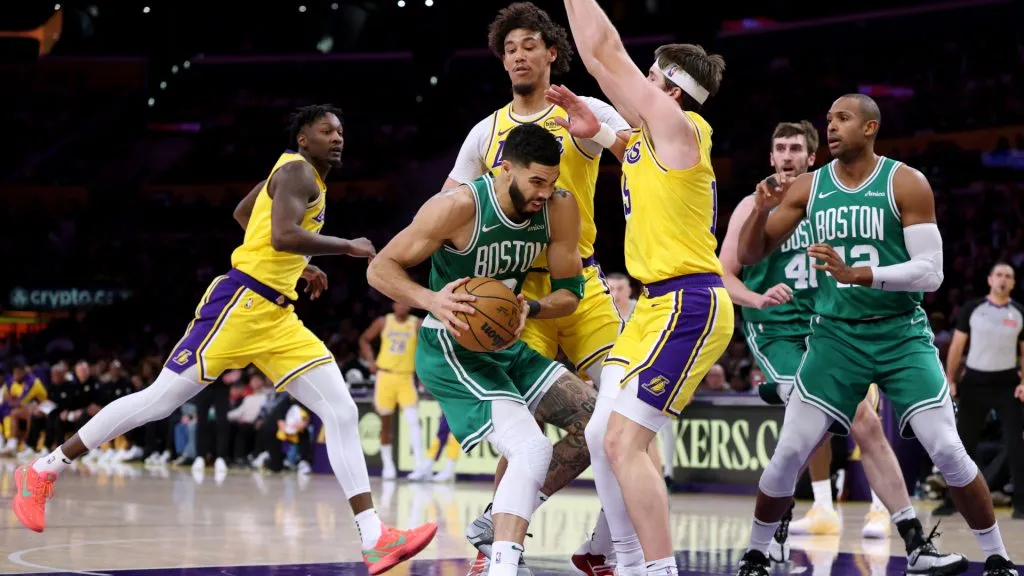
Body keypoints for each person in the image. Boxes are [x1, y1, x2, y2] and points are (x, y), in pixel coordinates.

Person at [13, 105, 437, 576]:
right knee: (159, 401)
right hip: (241, 306)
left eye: (341, 130)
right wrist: (345, 247)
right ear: (303, 139)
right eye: (326, 131)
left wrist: (301, 265)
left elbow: (245, 213)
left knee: (340, 410)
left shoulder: (292, 173)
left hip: (278, 317)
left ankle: (374, 537)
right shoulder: (299, 173)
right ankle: (43, 469)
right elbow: (280, 235)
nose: (338, 137)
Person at [733, 94, 1015, 576]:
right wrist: (759, 212)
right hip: (834, 338)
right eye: (828, 120)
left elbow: (931, 273)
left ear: (870, 128)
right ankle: (757, 551)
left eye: (842, 119)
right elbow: (752, 254)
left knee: (946, 447)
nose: (832, 126)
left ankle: (998, 558)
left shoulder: (906, 182)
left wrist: (858, 274)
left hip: (900, 334)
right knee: (790, 449)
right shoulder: (809, 187)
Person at [440, 4, 641, 573]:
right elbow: (447, 208)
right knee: (524, 436)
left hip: (581, 286)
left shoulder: (584, 109)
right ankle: (498, 546)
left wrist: (597, 129)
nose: (519, 55)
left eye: (530, 45)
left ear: (552, 52)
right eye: (509, 49)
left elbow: (644, 157)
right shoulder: (486, 132)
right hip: (510, 298)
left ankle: (603, 544)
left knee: (625, 414)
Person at [367, 122, 595, 576]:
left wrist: (532, 305)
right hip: (450, 347)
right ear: (505, 169)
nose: (545, 193)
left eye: (552, 183)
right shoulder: (458, 207)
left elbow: (570, 290)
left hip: (504, 345)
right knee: (531, 448)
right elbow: (380, 268)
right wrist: (432, 300)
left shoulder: (560, 207)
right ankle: (503, 564)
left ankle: (498, 520)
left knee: (596, 425)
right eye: (536, 182)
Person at [557, 2, 736, 575]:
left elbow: (601, 54)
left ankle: (655, 570)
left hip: (689, 302)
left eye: (651, 79)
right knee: (599, 431)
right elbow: (634, 155)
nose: (641, 84)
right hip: (653, 306)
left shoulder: (680, 130)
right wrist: (603, 132)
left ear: (672, 93)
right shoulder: (652, 141)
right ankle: (622, 560)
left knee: (623, 443)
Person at [937, 262, 1024, 519]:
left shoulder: (1019, 312)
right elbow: (957, 346)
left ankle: (1021, 504)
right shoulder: (973, 309)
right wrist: (950, 379)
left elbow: (1023, 352)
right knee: (962, 443)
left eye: (1008, 276)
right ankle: (951, 501)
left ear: (1013, 283)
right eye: (998, 274)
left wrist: (1023, 382)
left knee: (1016, 444)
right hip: (975, 381)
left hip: (1007, 383)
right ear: (989, 280)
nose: (1003, 280)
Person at [359, 301, 428, 480]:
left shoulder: (416, 323)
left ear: (410, 305)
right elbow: (364, 339)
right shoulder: (383, 321)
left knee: (413, 421)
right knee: (386, 423)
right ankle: (388, 466)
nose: (402, 306)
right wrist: (370, 361)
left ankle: (420, 466)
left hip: (406, 377)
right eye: (399, 302)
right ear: (393, 304)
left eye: (405, 303)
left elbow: (427, 348)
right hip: (385, 376)